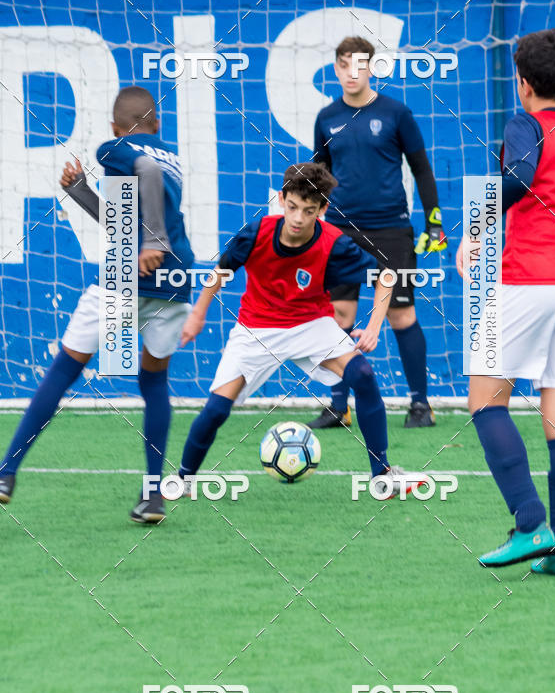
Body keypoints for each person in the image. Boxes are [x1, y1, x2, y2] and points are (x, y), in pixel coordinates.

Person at [0, 86, 195, 524]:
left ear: (114, 127)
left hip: (131, 274)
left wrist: (153, 241)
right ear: (158, 124)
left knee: (66, 368)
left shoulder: (117, 148)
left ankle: (7, 473)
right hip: (177, 276)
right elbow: (125, 218)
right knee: (154, 382)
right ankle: (152, 496)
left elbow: (144, 172)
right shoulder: (174, 158)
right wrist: (82, 192)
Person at [177, 162, 414, 493]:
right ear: (280, 199)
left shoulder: (334, 243)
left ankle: (382, 474)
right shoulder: (255, 232)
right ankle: (182, 479)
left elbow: (386, 276)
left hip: (312, 324)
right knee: (217, 409)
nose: (299, 218)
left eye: (309, 210)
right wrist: (198, 314)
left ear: (323, 210)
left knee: (362, 375)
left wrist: (374, 326)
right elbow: (220, 272)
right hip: (256, 329)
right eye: (292, 207)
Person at [457, 28, 555, 575]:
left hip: (533, 279)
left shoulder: (525, 124)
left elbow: (517, 176)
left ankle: (529, 523)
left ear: (523, 84)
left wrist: (476, 227)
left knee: (485, 399)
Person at [309, 35, 447, 431]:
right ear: (336, 69)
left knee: (401, 314)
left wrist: (434, 221)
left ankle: (420, 404)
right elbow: (318, 178)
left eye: (361, 64)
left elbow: (421, 169)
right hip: (339, 231)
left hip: (391, 229)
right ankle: (338, 405)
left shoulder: (396, 113)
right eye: (345, 65)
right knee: (339, 315)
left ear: (371, 68)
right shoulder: (326, 118)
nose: (353, 72)